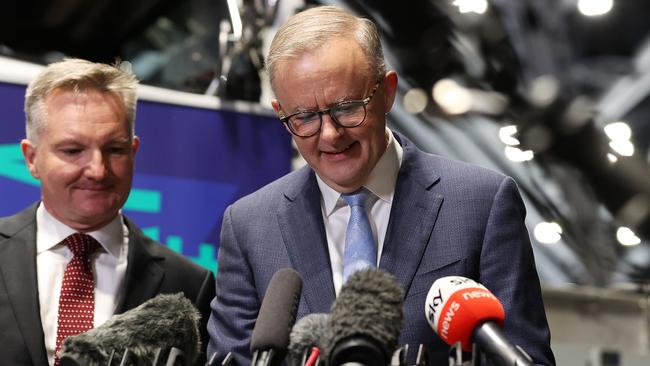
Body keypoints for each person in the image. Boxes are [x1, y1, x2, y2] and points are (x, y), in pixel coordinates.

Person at [207, 5, 555, 365]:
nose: (330, 134)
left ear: (387, 91)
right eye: (305, 117)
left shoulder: (481, 204)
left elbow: (524, 357)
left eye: (346, 108)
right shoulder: (249, 226)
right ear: (282, 113)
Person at [0, 58, 215, 366]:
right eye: (73, 151)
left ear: (134, 152)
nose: (98, 171)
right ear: (31, 158)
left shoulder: (190, 284)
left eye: (114, 149)